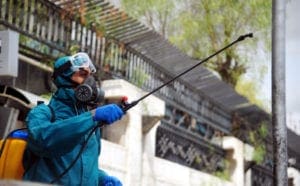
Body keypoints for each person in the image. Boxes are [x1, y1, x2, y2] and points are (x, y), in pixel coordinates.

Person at [23, 52, 125, 185]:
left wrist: (102, 179)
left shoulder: (92, 125)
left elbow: (82, 168)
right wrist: (91, 117)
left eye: (90, 76)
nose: (91, 83)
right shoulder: (42, 113)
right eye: (83, 74)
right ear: (63, 78)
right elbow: (43, 140)